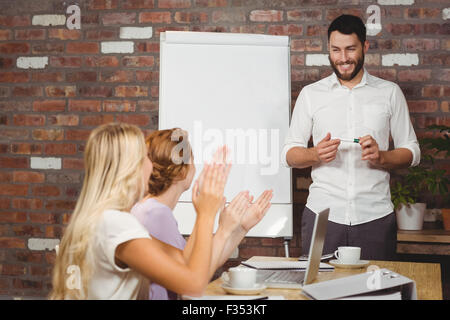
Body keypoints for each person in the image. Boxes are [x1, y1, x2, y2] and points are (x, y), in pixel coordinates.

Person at [282, 14, 420, 261]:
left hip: (374, 218)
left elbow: (412, 152)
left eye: (350, 49)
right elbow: (290, 153)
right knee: (318, 292)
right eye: (335, 50)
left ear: (365, 47)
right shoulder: (310, 95)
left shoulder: (389, 93)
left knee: (376, 296)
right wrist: (314, 154)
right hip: (322, 216)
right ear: (328, 49)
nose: (343, 58)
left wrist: (382, 157)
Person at [49, 122, 230, 299]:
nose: (151, 166)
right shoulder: (116, 224)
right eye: (145, 158)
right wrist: (207, 214)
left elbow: (184, 260)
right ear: (129, 168)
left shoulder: (101, 220)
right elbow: (193, 286)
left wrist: (202, 211)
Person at [131, 128, 273, 299]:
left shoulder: (152, 209)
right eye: (192, 159)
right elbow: (194, 280)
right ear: (182, 171)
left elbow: (199, 265)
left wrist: (239, 228)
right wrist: (217, 224)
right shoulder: (156, 215)